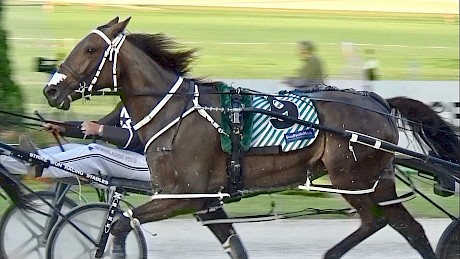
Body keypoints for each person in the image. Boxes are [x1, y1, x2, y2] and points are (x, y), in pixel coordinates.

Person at [0, 101, 151, 182]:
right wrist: (63, 127)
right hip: (128, 160)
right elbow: (96, 127)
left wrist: (99, 129)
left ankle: (39, 164)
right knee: (70, 148)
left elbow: (138, 139)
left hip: (150, 165)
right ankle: (10, 161)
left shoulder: (153, 105)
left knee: (94, 152)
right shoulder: (126, 104)